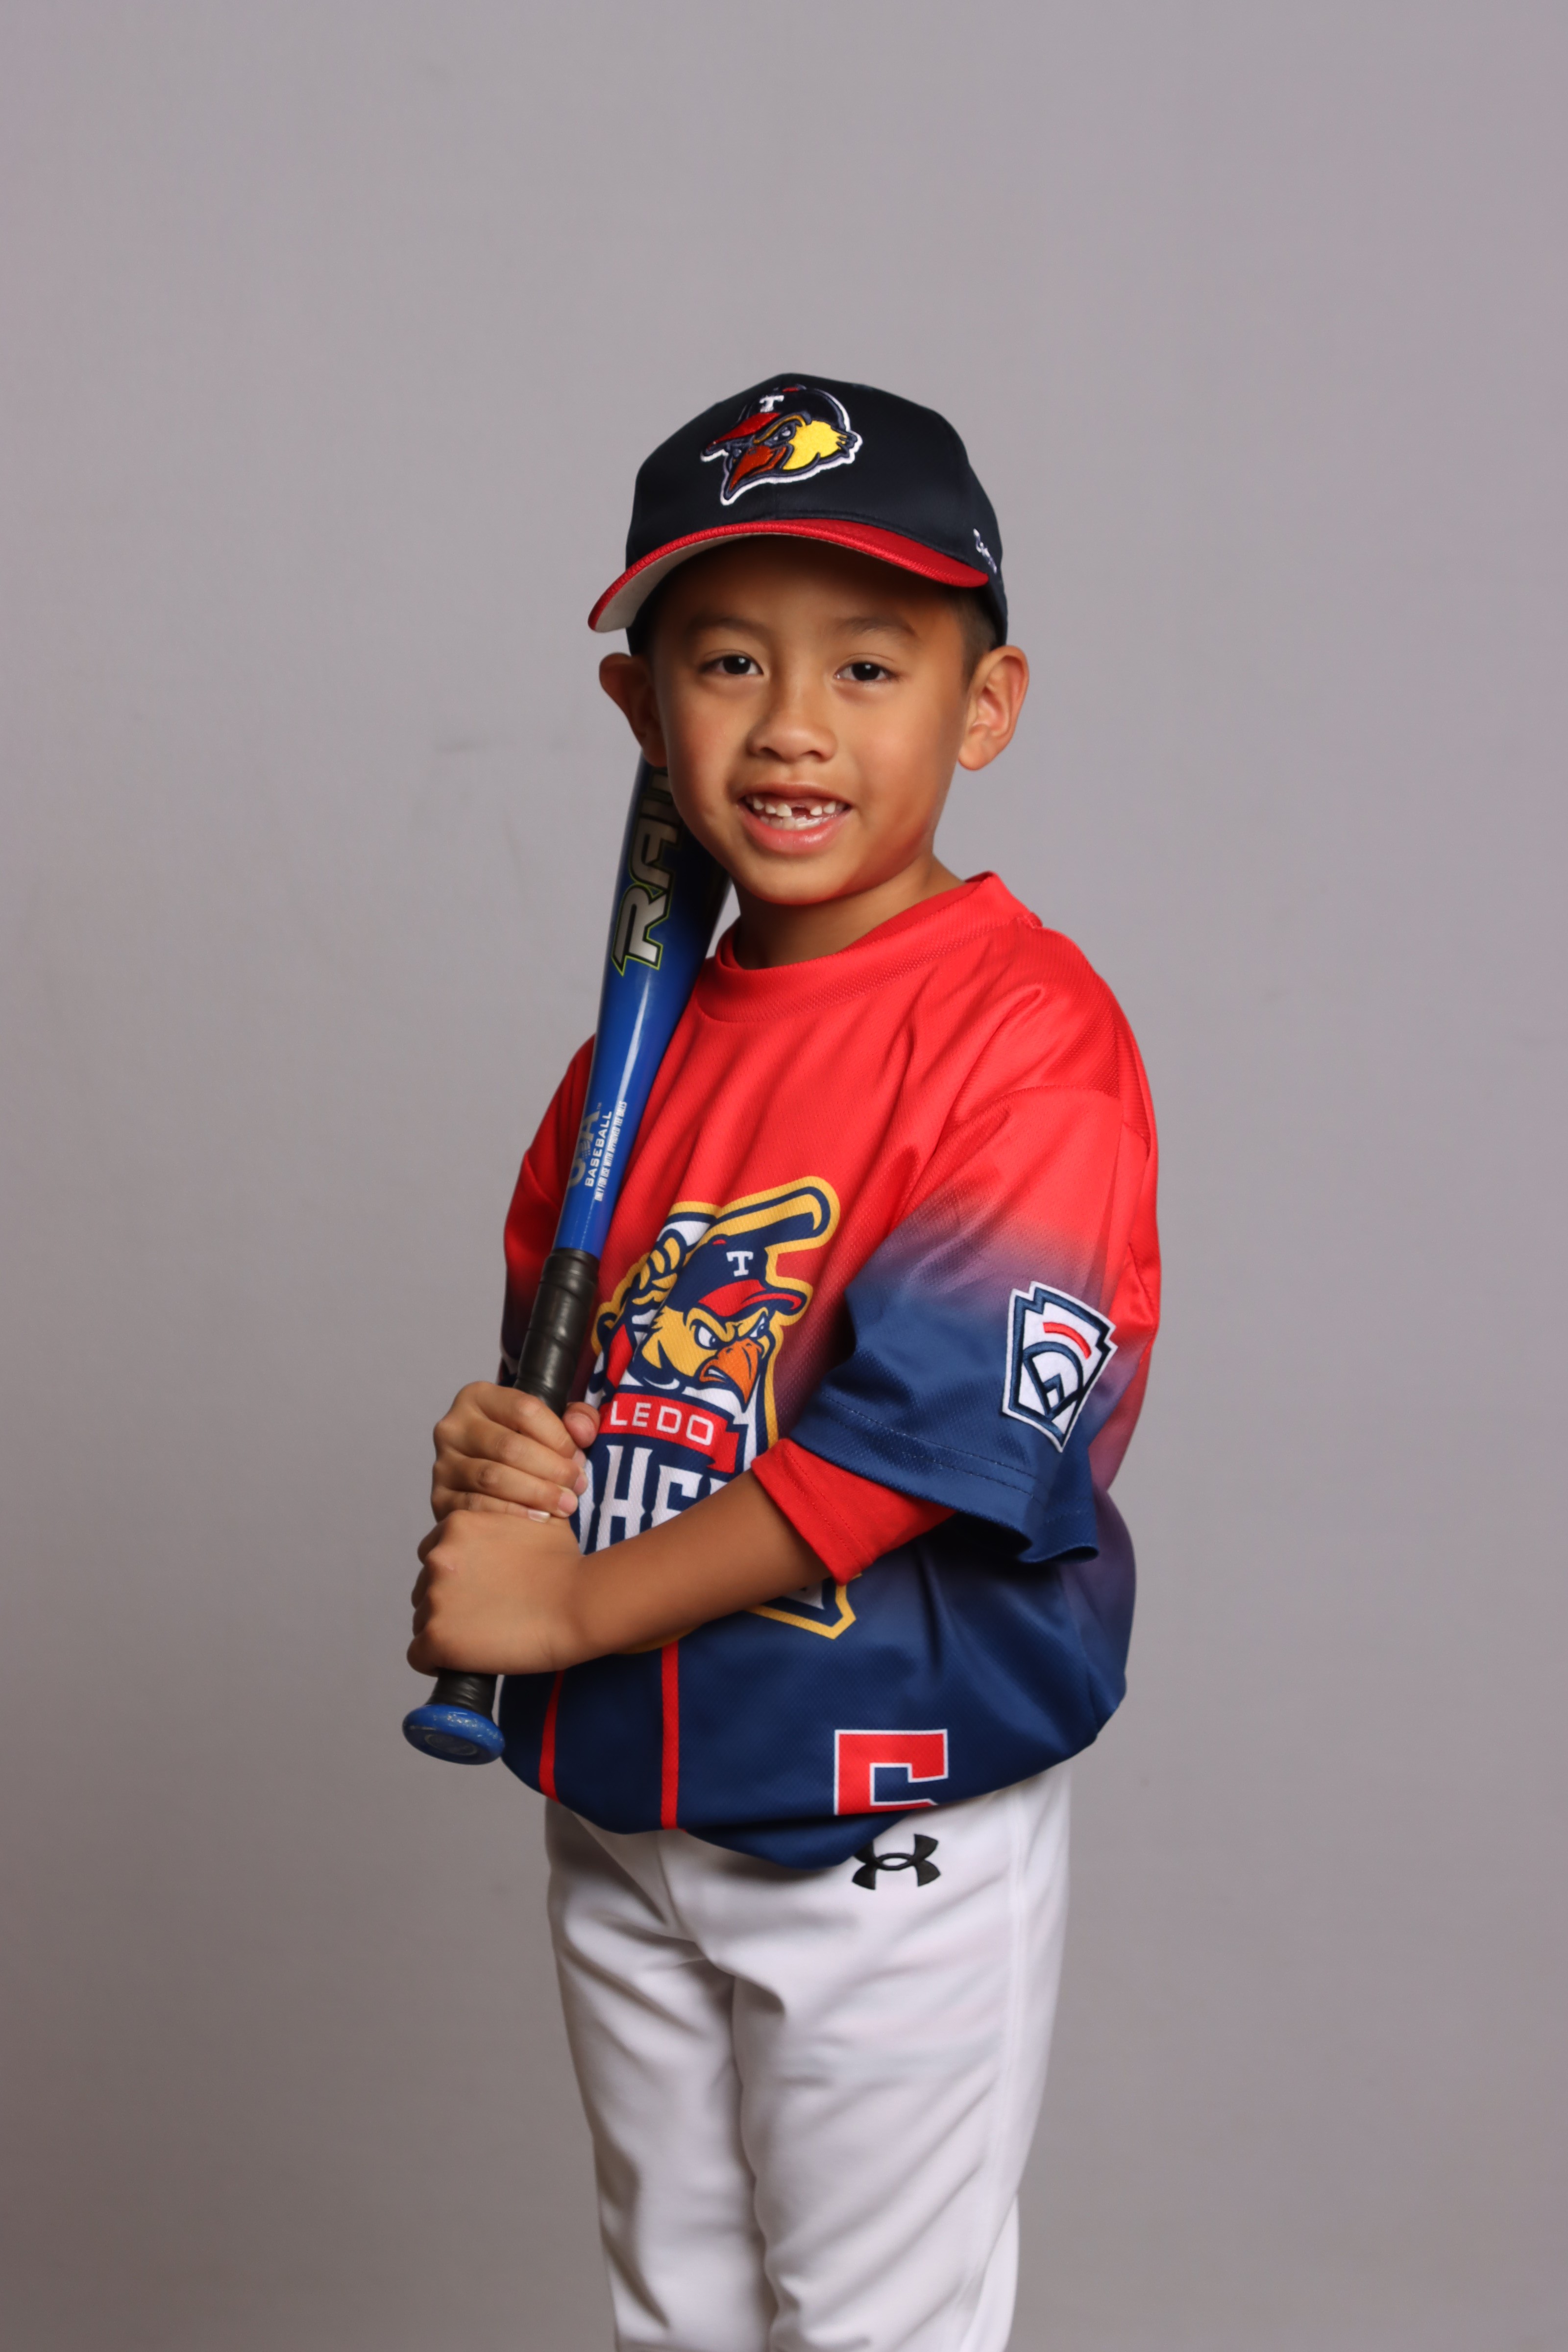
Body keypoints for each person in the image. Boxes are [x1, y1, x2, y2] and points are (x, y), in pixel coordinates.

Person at [409, 375, 1160, 2352]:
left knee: (870, 2329)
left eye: (869, 664)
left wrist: (559, 1609)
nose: (794, 724)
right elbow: (596, 1384)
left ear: (984, 707)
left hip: (881, 1815)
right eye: (727, 660)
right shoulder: (630, 1059)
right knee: (679, 2312)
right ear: (640, 710)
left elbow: (905, 1455)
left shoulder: (1026, 1037)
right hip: (630, 1796)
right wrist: (510, 1454)